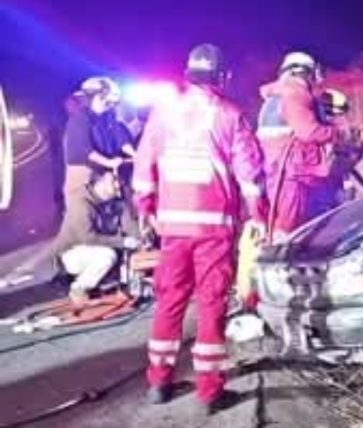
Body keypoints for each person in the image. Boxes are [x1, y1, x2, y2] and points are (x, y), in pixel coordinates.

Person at [132, 43, 266, 414]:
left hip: (172, 228)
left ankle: (159, 383)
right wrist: (258, 215)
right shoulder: (230, 115)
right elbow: (250, 175)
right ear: (222, 77)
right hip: (214, 231)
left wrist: (144, 206)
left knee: (169, 301)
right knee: (211, 304)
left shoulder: (163, 113)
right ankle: (209, 391)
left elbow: (144, 165)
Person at [256, 51, 351, 242]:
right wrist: (337, 134)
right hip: (292, 174)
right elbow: (308, 131)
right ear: (305, 72)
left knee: (282, 228)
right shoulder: (295, 92)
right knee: (290, 231)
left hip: (278, 171)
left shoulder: (277, 95)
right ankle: (283, 258)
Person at [0, 172, 139, 299]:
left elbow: (129, 224)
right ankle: (79, 288)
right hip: (69, 253)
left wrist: (139, 239)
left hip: (93, 249)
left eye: (118, 181)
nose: (117, 185)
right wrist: (123, 242)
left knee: (117, 255)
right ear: (100, 182)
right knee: (107, 256)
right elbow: (87, 237)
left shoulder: (116, 201)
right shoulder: (81, 202)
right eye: (113, 181)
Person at [61, 77, 125, 207]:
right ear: (96, 98)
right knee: (82, 214)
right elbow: (85, 150)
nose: (109, 107)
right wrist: (108, 162)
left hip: (97, 176)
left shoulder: (100, 120)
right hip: (82, 179)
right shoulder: (80, 119)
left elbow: (118, 140)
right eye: (107, 102)